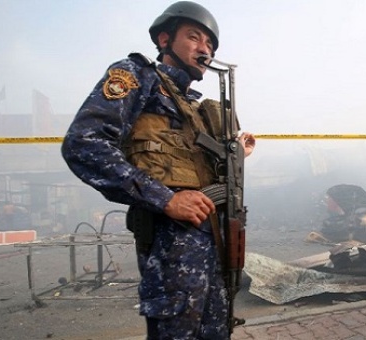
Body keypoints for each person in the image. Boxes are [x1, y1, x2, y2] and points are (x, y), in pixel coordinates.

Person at [61, 2, 256, 339]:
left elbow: (192, 165)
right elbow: (84, 143)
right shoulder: (138, 76)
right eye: (194, 38)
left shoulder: (193, 107)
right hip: (173, 242)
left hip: (215, 241)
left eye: (210, 44)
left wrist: (237, 152)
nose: (204, 49)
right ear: (165, 39)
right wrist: (165, 199)